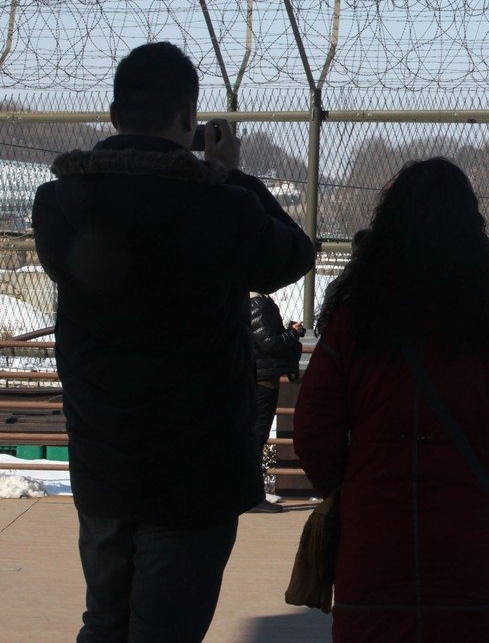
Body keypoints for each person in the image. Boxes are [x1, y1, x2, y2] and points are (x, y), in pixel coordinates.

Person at [32, 41, 315, 642]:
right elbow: (293, 254)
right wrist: (230, 174)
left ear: (113, 115)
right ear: (190, 117)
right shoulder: (220, 205)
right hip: (195, 471)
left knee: (104, 620)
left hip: (103, 457)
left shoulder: (58, 204)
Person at [293, 157, 489, 642]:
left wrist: (352, 488)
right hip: (473, 549)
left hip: (373, 548)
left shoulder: (353, 323)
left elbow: (313, 431)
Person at [248, 290, 305, 513]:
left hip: (261, 377)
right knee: (257, 436)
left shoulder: (257, 302)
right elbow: (269, 342)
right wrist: (293, 333)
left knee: (257, 436)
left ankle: (253, 494)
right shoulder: (257, 304)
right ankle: (253, 497)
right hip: (263, 379)